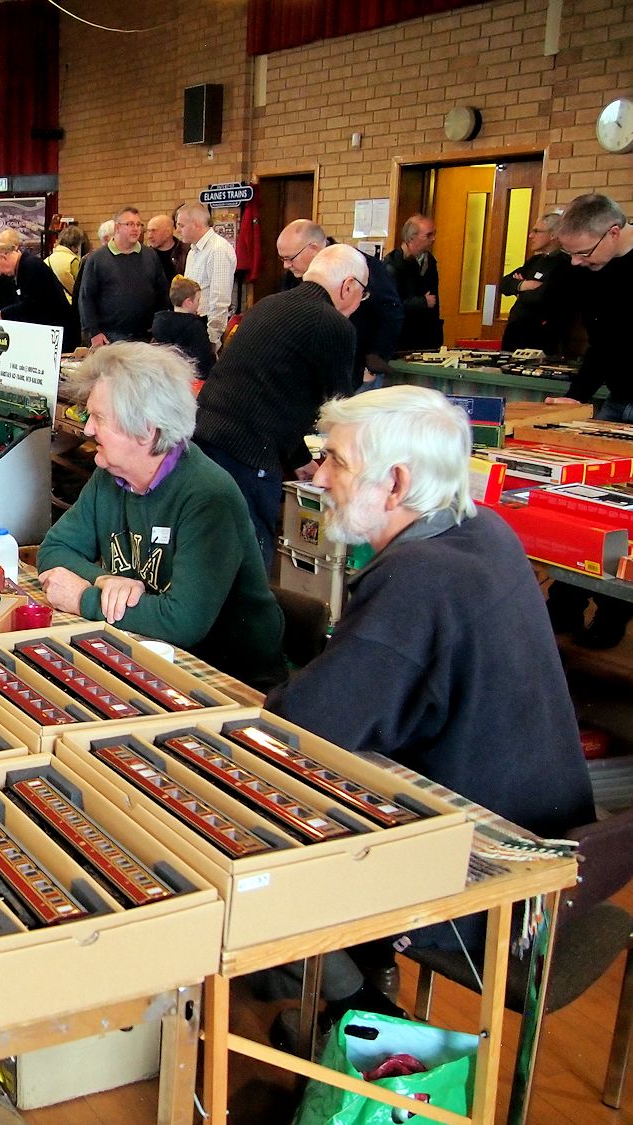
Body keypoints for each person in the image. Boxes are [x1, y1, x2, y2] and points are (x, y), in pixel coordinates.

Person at [264, 386, 593, 1017]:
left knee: (250, 834)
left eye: (336, 461)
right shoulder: (481, 528)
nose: (318, 476)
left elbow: (302, 730)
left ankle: (355, 1005)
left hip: (491, 879)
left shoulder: (421, 578)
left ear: (395, 484)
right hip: (547, 839)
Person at [37, 342, 286, 690]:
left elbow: (182, 622)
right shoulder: (110, 475)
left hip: (227, 677)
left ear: (145, 431)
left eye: (99, 418)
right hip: (147, 654)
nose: (88, 429)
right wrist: (105, 580)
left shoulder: (208, 496)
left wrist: (84, 598)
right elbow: (53, 551)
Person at [193, 244, 362, 565]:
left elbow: (272, 389)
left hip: (206, 435)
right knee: (250, 555)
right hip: (248, 451)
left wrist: (300, 458)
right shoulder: (333, 324)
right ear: (348, 286)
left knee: (211, 542)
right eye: (361, 295)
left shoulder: (269, 304)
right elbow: (341, 409)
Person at [542, 193, 633, 648]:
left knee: (625, 515)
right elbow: (602, 345)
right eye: (569, 254)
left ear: (614, 233)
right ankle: (566, 602)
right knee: (584, 501)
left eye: (582, 253)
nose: (576, 263)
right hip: (616, 399)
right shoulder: (594, 270)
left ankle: (613, 613)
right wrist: (575, 398)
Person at [276, 219, 403, 388]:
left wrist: (372, 365)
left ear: (313, 248)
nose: (286, 265)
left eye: (290, 258)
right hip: (311, 373)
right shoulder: (293, 276)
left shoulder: (362, 266)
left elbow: (391, 312)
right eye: (282, 259)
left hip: (355, 372)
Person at [78, 206, 167, 346]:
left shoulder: (151, 255)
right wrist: (93, 333)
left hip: (145, 337)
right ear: (117, 227)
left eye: (138, 224)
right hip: (109, 337)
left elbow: (162, 294)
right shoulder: (97, 259)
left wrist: (159, 328)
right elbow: (86, 298)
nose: (135, 229)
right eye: (130, 224)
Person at [499, 211, 571, 353]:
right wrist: (524, 285)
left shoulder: (565, 264)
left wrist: (519, 293)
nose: (530, 236)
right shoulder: (534, 261)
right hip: (514, 334)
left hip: (540, 338)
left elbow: (544, 297)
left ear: (553, 235)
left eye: (537, 231)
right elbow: (504, 284)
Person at [0, 240, 80, 344]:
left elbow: (32, 304)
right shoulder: (24, 267)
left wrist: (3, 314)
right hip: (54, 330)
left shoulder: (30, 266)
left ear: (3, 257)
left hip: (59, 333)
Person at [175, 201, 237, 354]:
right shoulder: (193, 251)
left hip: (206, 329)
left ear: (196, 224)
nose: (177, 230)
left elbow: (220, 299)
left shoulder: (218, 249)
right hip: (191, 325)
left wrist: (212, 339)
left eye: (181, 225)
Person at [384, 214, 443, 351]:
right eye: (428, 235)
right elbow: (389, 305)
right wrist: (422, 302)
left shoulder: (430, 261)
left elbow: (435, 302)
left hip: (426, 338)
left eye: (434, 234)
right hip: (402, 339)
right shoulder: (392, 264)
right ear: (411, 238)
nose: (433, 239)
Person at [150, 275, 215, 376]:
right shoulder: (195, 327)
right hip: (190, 379)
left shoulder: (159, 323)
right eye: (198, 300)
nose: (199, 303)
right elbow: (204, 363)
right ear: (188, 302)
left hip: (165, 377)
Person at [46, 223, 87, 296]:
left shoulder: (47, 260)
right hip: (68, 301)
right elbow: (81, 286)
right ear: (75, 245)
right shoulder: (72, 261)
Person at [146, 214, 187, 284]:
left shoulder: (186, 252)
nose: (149, 236)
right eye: (148, 231)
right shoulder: (146, 255)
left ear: (167, 232)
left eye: (154, 231)